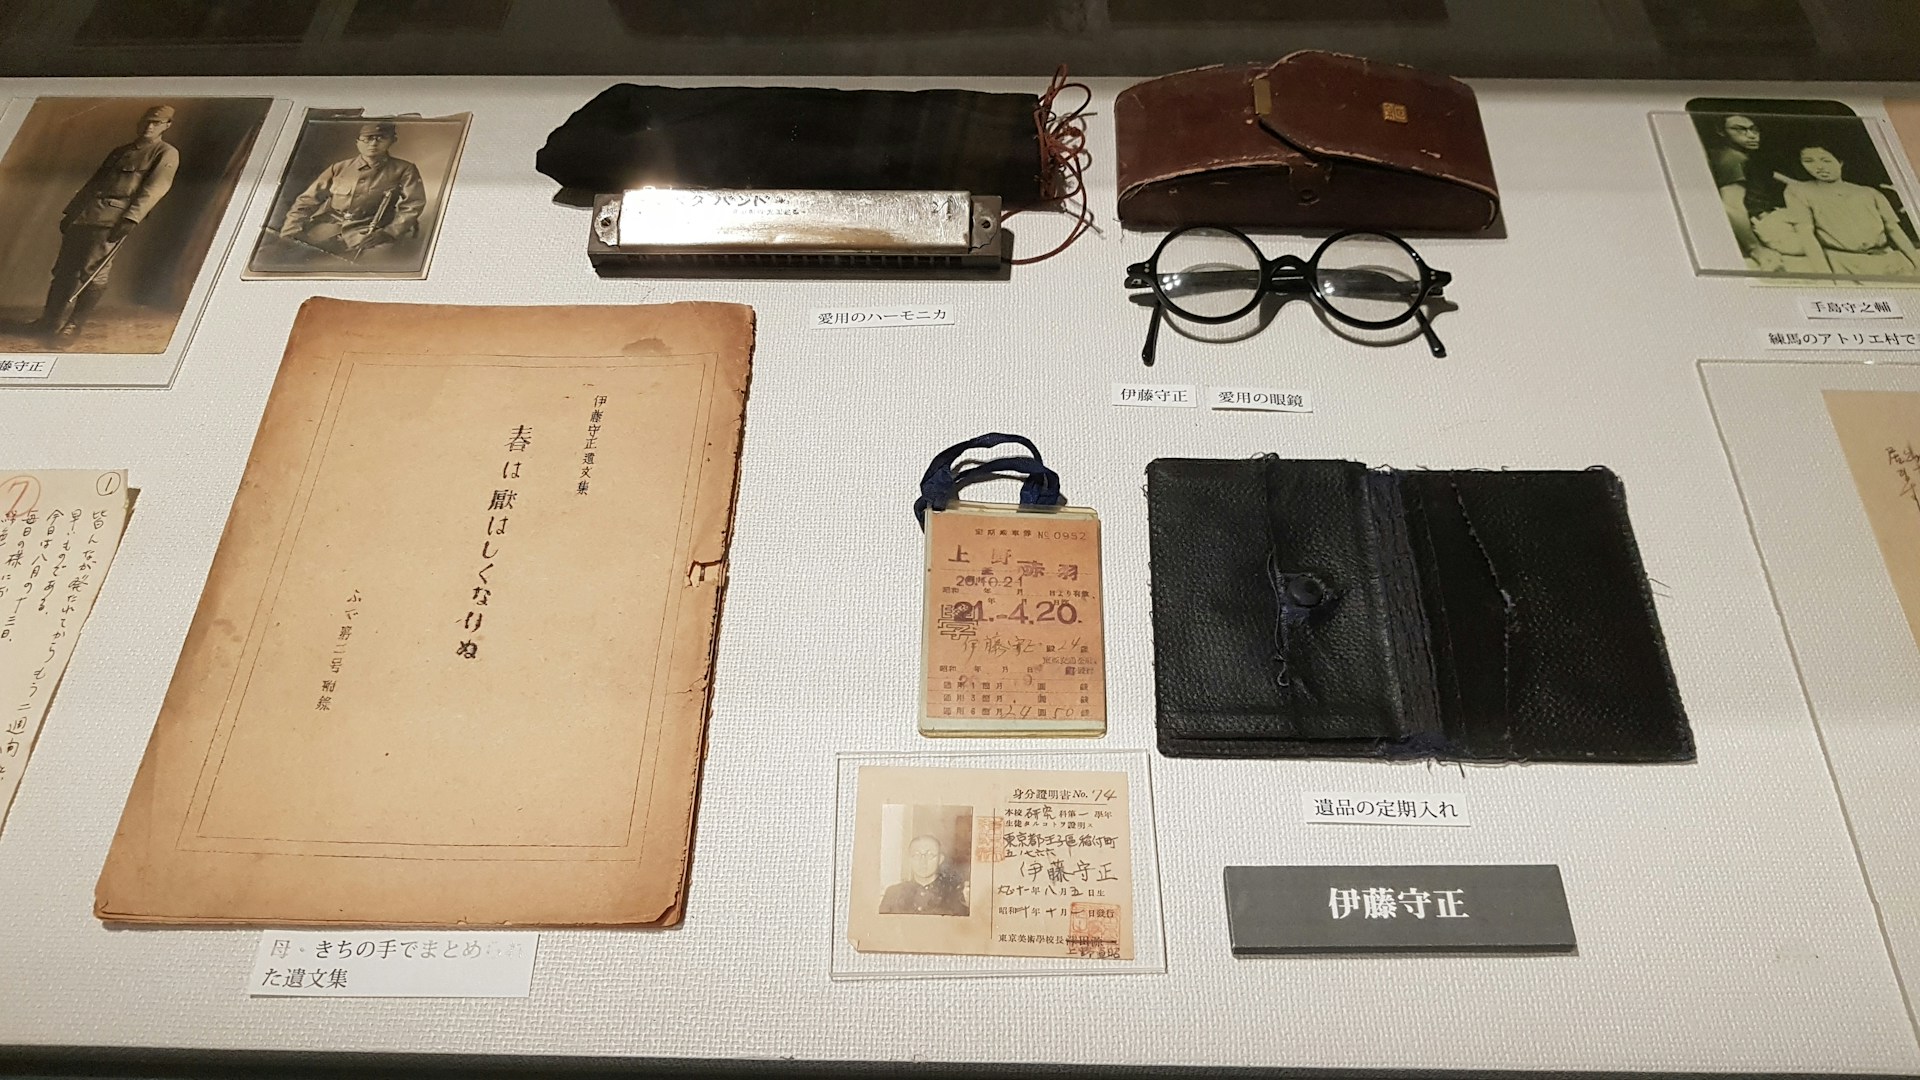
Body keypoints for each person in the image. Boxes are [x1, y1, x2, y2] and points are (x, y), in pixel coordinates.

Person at [34, 104, 179, 339]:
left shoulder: (165, 153)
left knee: (92, 272)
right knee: (64, 270)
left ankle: (73, 326)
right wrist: (71, 211)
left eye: (156, 123)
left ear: (167, 126)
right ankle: (49, 322)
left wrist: (132, 218)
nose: (149, 127)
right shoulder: (120, 151)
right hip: (86, 215)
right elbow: (94, 183)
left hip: (113, 218)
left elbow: (155, 189)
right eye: (146, 121)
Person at [278, 121, 426, 259]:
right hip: (328, 226)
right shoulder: (339, 168)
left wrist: (389, 233)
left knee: (377, 262)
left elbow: (413, 204)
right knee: (294, 254)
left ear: (392, 140)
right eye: (367, 139)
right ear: (358, 143)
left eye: (381, 138)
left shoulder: (404, 169)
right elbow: (307, 200)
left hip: (370, 232)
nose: (373, 143)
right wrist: (291, 229)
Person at [1788, 144, 1920, 276]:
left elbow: (1894, 230)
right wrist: (1826, 275)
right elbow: (1806, 235)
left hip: (1887, 261)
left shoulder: (1869, 193)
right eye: (1808, 161)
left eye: (1826, 160)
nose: (1819, 167)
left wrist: (1916, 263)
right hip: (1843, 264)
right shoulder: (1799, 191)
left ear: (1840, 161)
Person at [879, 834, 968, 916]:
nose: (923, 862)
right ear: (909, 859)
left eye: (930, 855)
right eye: (916, 855)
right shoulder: (893, 894)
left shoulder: (956, 895)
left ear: (940, 859)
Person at [1708, 114, 1763, 188]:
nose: (1752, 136)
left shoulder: (1720, 152)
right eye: (1739, 129)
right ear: (1721, 131)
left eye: (1754, 129)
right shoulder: (1734, 158)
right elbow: (1732, 198)